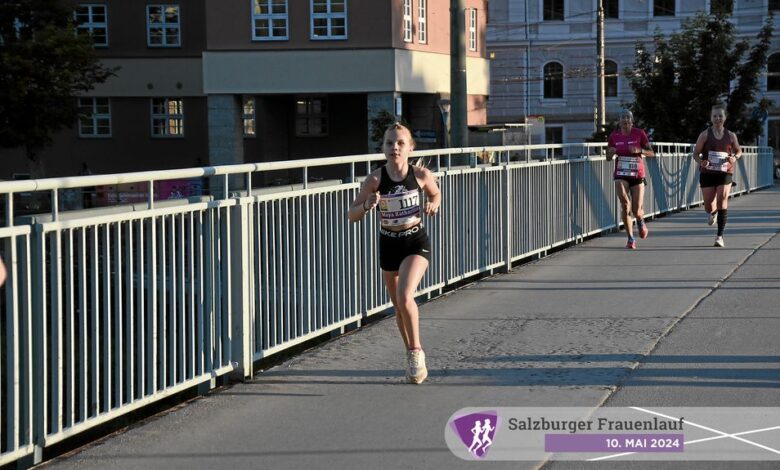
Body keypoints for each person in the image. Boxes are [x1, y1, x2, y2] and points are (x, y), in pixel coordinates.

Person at [348, 122, 441, 384]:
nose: (395, 148)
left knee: (405, 295)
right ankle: (411, 352)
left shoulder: (421, 175)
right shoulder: (375, 179)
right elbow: (351, 214)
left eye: (400, 143)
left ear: (410, 148)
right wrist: (366, 205)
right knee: (398, 306)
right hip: (389, 243)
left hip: (415, 242)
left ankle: (416, 352)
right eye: (389, 143)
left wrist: (433, 205)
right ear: (383, 148)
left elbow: (436, 194)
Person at [692, 103, 742, 248]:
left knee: (722, 200)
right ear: (711, 117)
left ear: (725, 117)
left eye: (720, 115)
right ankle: (711, 212)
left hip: (725, 172)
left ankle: (719, 236)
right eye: (715, 116)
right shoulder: (705, 134)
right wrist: (701, 161)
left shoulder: (731, 135)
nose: (718, 118)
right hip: (708, 173)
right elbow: (695, 154)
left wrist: (734, 158)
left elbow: (738, 151)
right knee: (709, 205)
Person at [606, 109, 655, 249]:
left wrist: (639, 151)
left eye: (628, 117)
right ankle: (630, 238)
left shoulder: (639, 133)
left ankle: (640, 220)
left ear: (632, 121)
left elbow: (652, 153)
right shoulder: (614, 136)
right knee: (625, 204)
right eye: (622, 117)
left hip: (637, 174)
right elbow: (608, 158)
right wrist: (610, 153)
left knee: (636, 210)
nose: (625, 120)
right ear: (619, 121)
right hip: (621, 173)